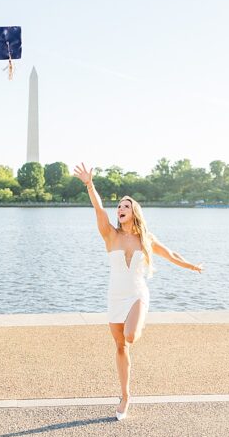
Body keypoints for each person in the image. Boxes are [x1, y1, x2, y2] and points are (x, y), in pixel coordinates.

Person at [73, 162, 204, 421]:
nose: (120, 209)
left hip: (136, 295)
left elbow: (170, 254)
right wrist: (90, 184)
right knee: (121, 347)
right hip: (115, 298)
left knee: (131, 336)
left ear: (134, 212)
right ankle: (125, 395)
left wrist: (191, 266)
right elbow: (98, 208)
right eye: (119, 206)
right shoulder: (109, 235)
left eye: (126, 206)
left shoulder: (146, 239)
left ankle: (138, 322)